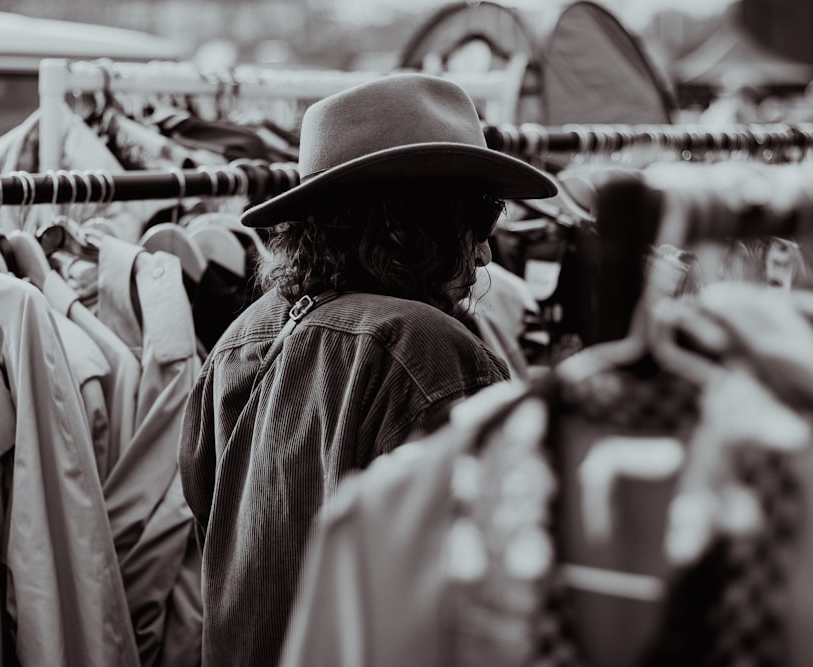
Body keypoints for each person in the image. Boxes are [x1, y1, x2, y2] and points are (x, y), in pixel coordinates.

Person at [178, 73, 557, 667]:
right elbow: (487, 588)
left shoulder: (240, 338)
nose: (485, 252)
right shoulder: (427, 349)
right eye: (478, 223)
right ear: (409, 225)